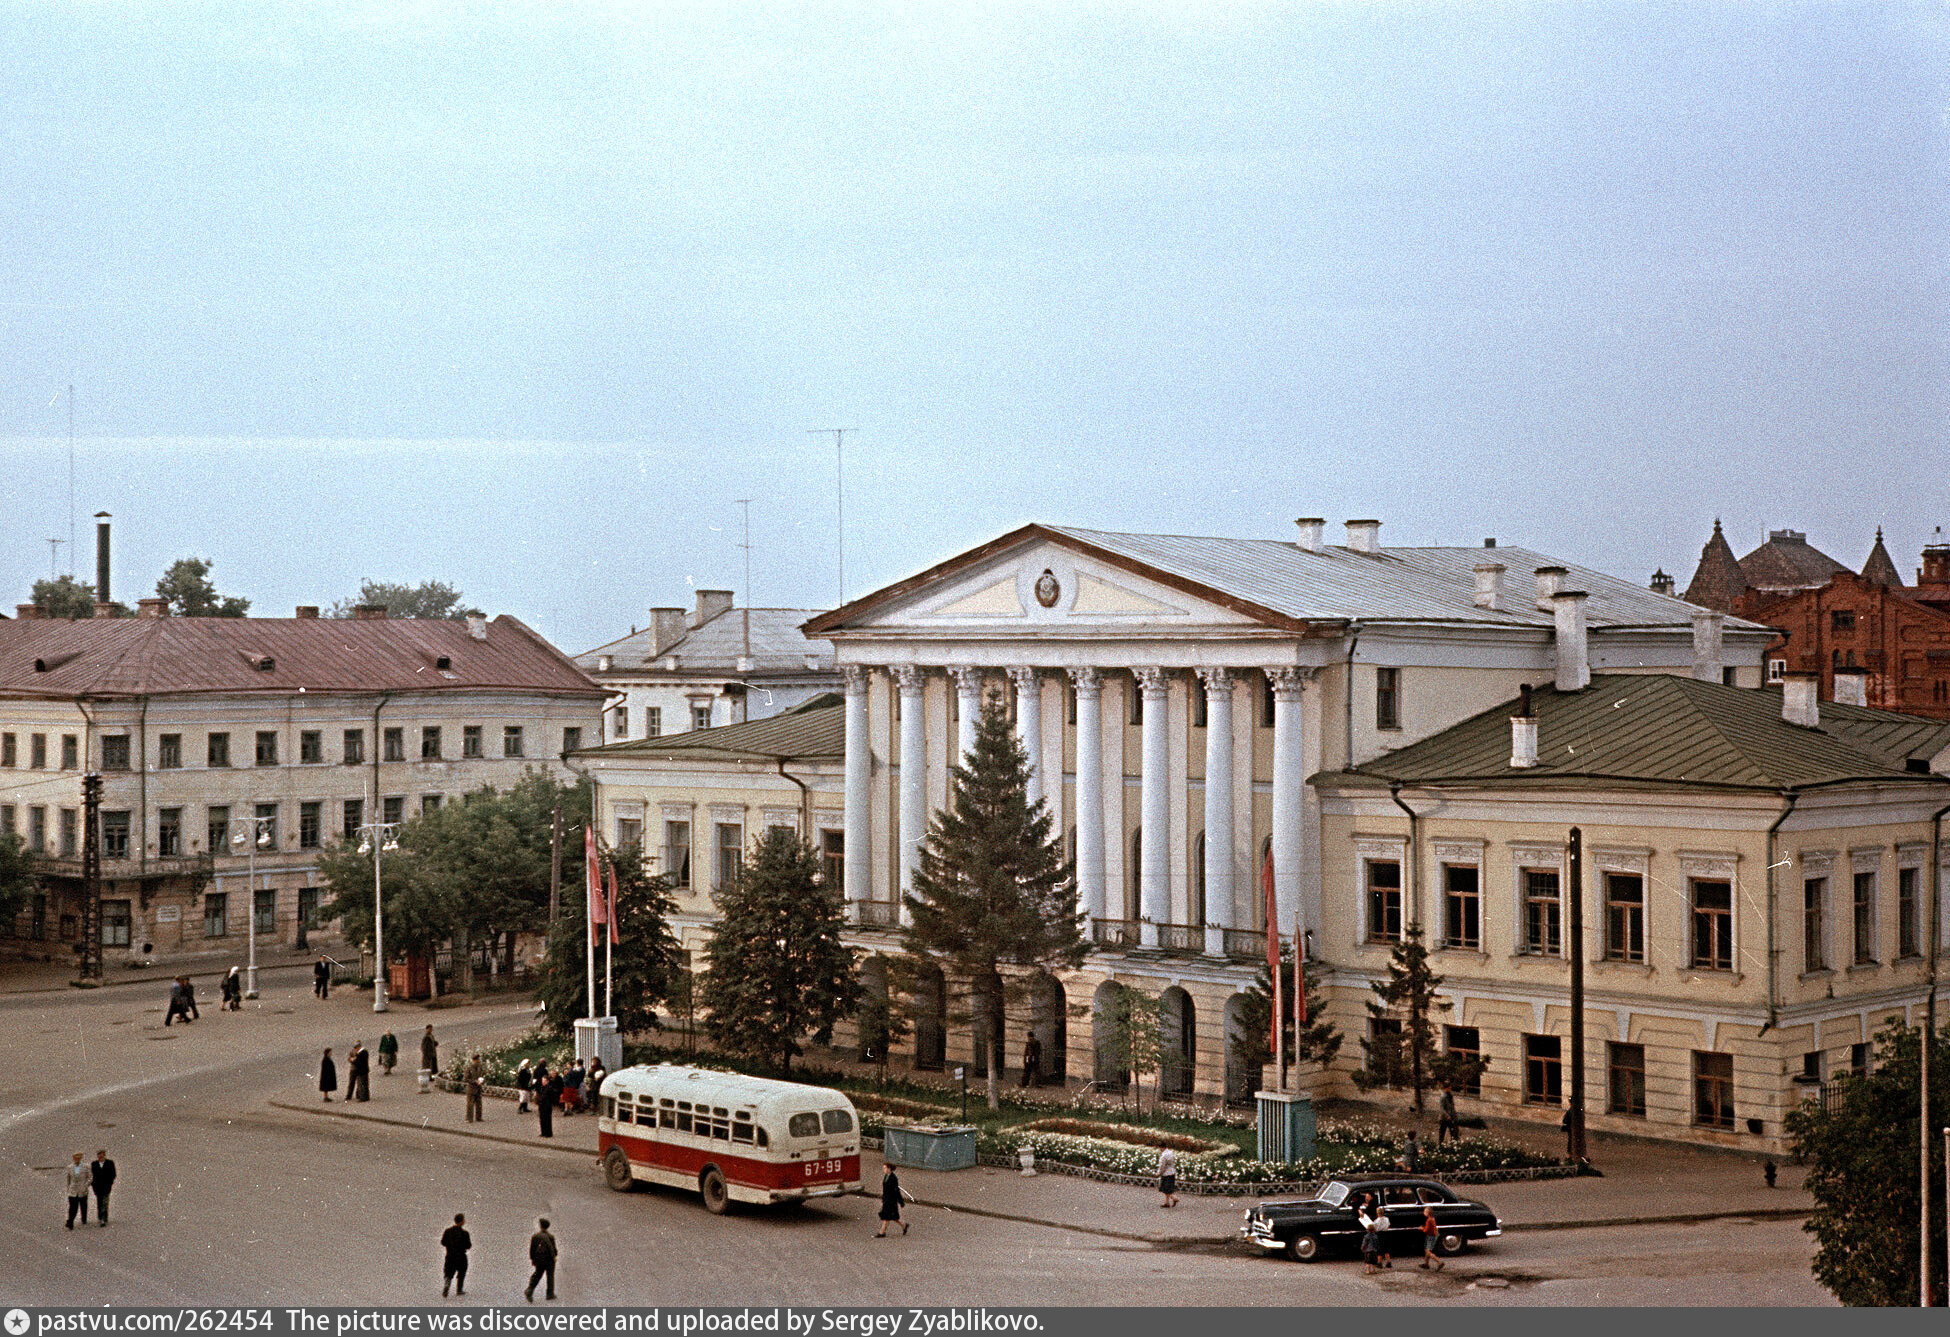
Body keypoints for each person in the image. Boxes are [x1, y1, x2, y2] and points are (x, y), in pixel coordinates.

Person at [874, 1164, 912, 1237]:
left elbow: (896, 1191)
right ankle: (904, 1225)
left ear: (889, 1169)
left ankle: (882, 1232)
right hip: (887, 1200)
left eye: (885, 1168)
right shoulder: (886, 1176)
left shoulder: (893, 1178)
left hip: (891, 1201)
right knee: (893, 1217)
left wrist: (901, 1201)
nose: (883, 1169)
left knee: (887, 1217)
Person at [440, 1213, 471, 1297]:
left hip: (450, 1256)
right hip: (461, 1256)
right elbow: (468, 1245)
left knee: (449, 1272)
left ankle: (447, 1283)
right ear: (462, 1221)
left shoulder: (448, 1231)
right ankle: (459, 1289)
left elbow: (443, 1242)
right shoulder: (465, 1233)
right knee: (461, 1272)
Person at [526, 1218, 557, 1301]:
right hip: (550, 1260)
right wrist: (554, 1257)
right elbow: (554, 1250)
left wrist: (533, 1259)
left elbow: (532, 1249)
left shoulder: (535, 1236)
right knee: (550, 1276)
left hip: (539, 1260)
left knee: (538, 1274)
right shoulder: (551, 1237)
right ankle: (550, 1294)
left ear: (540, 1226)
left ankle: (530, 1290)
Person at [90, 1149, 116, 1226]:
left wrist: (110, 1183)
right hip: (97, 1187)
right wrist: (93, 1185)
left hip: (106, 1186)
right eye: (99, 1155)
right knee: (99, 1202)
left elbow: (113, 1174)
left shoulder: (110, 1163)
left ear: (104, 1155)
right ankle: (100, 1216)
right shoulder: (94, 1164)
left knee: (105, 1202)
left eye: (102, 1155)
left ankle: (104, 1218)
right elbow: (92, 1175)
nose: (100, 1156)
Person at [64, 1152, 89, 1229]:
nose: (77, 1160)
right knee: (73, 1207)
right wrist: (68, 1188)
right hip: (73, 1190)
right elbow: (68, 1179)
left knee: (83, 1206)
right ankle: (70, 1221)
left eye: (78, 1158)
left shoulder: (86, 1167)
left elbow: (90, 1177)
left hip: (82, 1190)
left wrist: (86, 1185)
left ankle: (83, 1218)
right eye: (75, 1158)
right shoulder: (70, 1167)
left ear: (81, 1158)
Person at [537, 1068, 561, 1139]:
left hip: (547, 1106)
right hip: (541, 1105)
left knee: (547, 1119)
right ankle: (543, 1132)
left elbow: (552, 1098)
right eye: (542, 1080)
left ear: (547, 1081)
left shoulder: (549, 1088)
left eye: (544, 1081)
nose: (543, 1082)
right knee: (542, 1119)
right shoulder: (542, 1087)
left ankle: (548, 1133)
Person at [1419, 1205, 1445, 1270]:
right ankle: (1426, 1264)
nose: (1423, 1212)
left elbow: (1426, 1230)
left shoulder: (1428, 1220)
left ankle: (1439, 1262)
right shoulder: (1432, 1219)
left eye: (1425, 1211)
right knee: (1427, 1250)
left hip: (1430, 1236)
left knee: (1428, 1251)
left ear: (1428, 1213)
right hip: (1434, 1235)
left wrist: (1421, 1228)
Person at [464, 1054, 485, 1123]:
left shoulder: (480, 1067)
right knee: (470, 1104)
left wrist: (482, 1080)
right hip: (471, 1088)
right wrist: (474, 1081)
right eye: (477, 1060)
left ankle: (478, 1117)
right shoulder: (469, 1068)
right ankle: (469, 1118)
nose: (479, 1061)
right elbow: (466, 1078)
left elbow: (482, 1074)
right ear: (474, 1060)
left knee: (479, 1104)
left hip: (478, 1088)